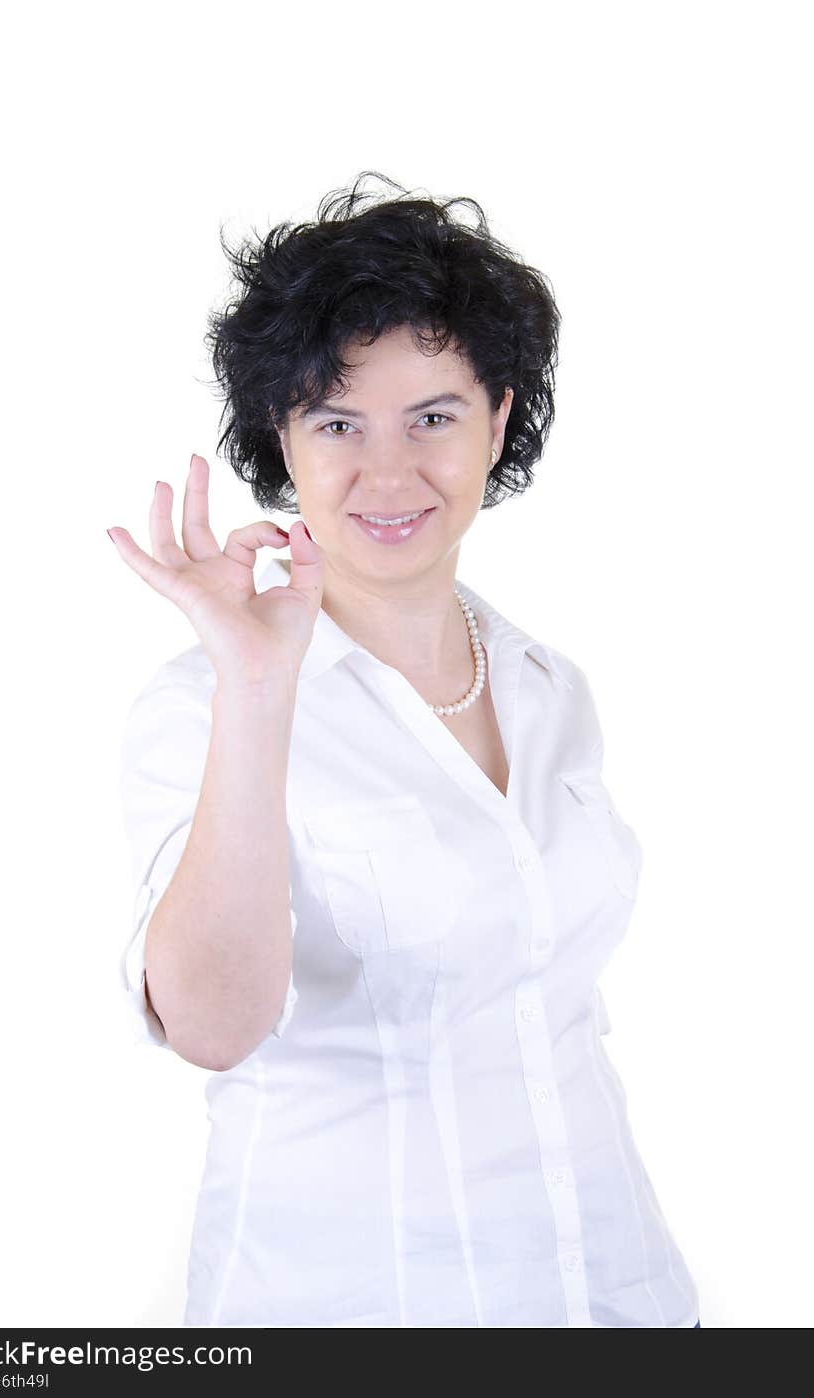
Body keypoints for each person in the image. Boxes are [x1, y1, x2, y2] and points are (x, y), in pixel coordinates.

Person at [107, 172, 701, 1328]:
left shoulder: (546, 688)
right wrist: (260, 688)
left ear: (496, 419)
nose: (387, 473)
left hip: (615, 1298)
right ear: (281, 439)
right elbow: (211, 1028)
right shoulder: (205, 707)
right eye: (336, 423)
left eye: (432, 416)